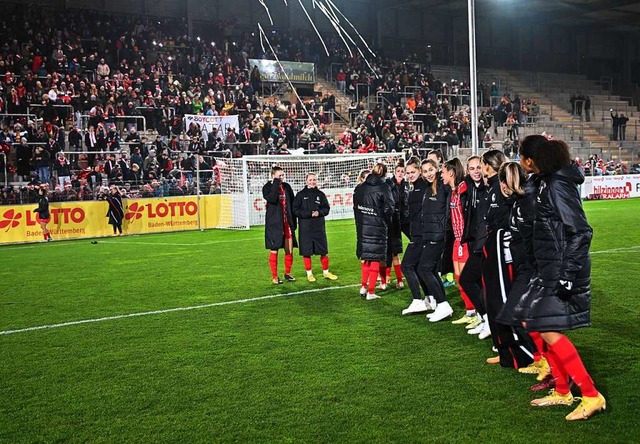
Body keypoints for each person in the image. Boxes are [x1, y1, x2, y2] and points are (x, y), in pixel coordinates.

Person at [517, 140, 605, 421]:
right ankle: (563, 390)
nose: (520, 163)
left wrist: (566, 276)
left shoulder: (557, 184)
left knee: (549, 330)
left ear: (531, 160)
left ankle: (591, 395)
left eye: (521, 158)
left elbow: (581, 231)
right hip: (549, 266)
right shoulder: (545, 181)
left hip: (563, 267)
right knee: (542, 327)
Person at [482, 157, 536, 368]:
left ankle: (527, 354)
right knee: (494, 303)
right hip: (496, 252)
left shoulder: (522, 202)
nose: (502, 186)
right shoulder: (499, 194)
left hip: (510, 259)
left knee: (506, 306)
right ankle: (507, 353)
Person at [442, 158, 476, 325]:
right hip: (456, 239)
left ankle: (478, 313)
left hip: (465, 240)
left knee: (466, 278)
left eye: (443, 172)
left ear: (451, 173)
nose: (441, 175)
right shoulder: (453, 191)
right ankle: (470, 311)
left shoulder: (464, 188)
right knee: (458, 277)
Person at [353, 163, 394, 300]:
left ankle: (363, 287)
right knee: (375, 259)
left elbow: (355, 207)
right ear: (384, 174)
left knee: (367, 259)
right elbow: (390, 208)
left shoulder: (360, 187)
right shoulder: (384, 187)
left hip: (363, 226)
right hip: (377, 227)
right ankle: (371, 292)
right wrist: (385, 221)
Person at [420, 158, 454, 322]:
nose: (428, 174)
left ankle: (443, 304)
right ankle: (442, 305)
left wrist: (443, 231)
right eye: (425, 171)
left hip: (438, 236)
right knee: (431, 270)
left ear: (437, 169)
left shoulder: (443, 187)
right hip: (430, 235)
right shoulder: (428, 190)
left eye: (430, 170)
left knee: (424, 269)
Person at [459, 156, 489, 335]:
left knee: (469, 280)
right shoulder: (467, 186)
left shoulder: (489, 188)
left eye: (479, 167)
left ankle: (488, 320)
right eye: (472, 168)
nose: (476, 171)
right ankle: (484, 318)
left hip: (484, 242)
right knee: (476, 281)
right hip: (473, 240)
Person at [401, 157, 433, 315]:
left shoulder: (421, 189)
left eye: (412, 172)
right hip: (420, 233)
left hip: (420, 235)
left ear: (420, 171)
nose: (409, 175)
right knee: (420, 268)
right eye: (408, 173)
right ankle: (430, 298)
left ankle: (417, 300)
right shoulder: (417, 188)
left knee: (406, 266)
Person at [292, 172, 337, 282]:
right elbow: (295, 210)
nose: (312, 182)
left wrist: (319, 212)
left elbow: (326, 209)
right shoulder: (300, 195)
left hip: (318, 227)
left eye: (314, 180)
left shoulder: (320, 194)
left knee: (323, 251)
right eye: (310, 180)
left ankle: (326, 272)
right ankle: (309, 274)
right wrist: (309, 213)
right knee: (306, 251)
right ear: (306, 181)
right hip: (305, 228)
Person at [263, 166, 297, 284]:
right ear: (273, 176)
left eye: (282, 175)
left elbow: (292, 203)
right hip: (274, 224)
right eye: (279, 176)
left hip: (287, 223)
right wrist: (276, 183)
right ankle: (275, 276)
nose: (282, 178)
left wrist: (294, 221)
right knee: (274, 250)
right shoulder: (267, 187)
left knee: (289, 250)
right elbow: (272, 198)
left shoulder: (287, 187)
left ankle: (287, 273)